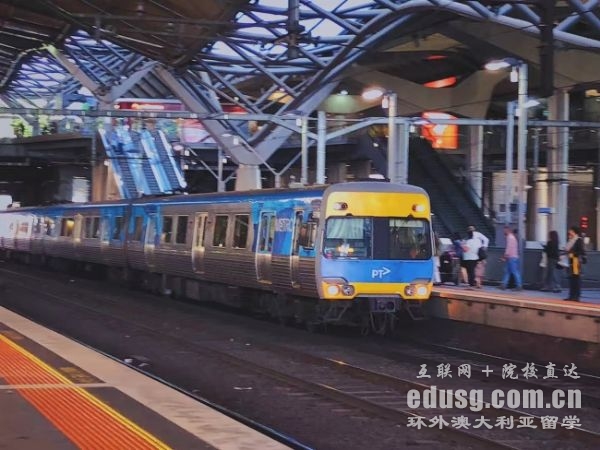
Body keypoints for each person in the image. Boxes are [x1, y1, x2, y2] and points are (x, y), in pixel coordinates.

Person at [563, 226, 585, 301]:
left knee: (576, 278)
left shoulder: (578, 240)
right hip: (570, 261)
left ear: (574, 232)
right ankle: (571, 295)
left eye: (571, 231)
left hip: (575, 261)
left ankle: (576, 296)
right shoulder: (571, 240)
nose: (569, 232)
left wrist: (571, 254)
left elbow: (581, 251)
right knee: (571, 278)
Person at [499, 226, 522, 291]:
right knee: (508, 272)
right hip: (512, 257)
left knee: (514, 272)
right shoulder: (512, 237)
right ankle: (503, 285)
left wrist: (504, 256)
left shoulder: (509, 238)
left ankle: (519, 286)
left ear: (508, 230)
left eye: (504, 230)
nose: (504, 232)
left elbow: (508, 248)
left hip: (511, 257)